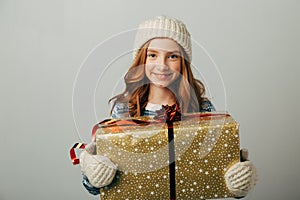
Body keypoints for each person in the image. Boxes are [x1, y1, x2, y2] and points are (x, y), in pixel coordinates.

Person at [79, 15, 258, 198]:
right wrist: (93, 174)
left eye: (172, 56)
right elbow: (96, 188)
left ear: (183, 63)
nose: (162, 65)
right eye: (153, 55)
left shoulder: (202, 109)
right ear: (142, 59)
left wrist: (236, 181)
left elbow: (217, 170)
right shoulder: (124, 110)